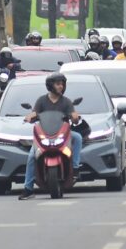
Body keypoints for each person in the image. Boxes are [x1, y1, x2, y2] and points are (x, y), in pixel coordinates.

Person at [18, 72, 84, 200]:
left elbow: (74, 117)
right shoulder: (42, 100)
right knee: (32, 156)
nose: (61, 87)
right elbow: (34, 113)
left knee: (78, 137)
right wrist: (30, 116)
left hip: (62, 134)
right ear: (50, 85)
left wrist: (75, 117)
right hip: (45, 135)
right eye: (58, 84)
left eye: (62, 84)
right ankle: (28, 188)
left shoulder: (66, 102)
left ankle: (75, 167)